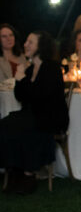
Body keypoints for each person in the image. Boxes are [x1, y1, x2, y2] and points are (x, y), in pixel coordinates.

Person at [0, 31, 69, 194]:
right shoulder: (30, 69)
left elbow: (41, 97)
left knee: (26, 127)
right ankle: (14, 170)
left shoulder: (52, 68)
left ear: (41, 46)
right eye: (26, 42)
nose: (25, 45)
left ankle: (28, 174)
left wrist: (22, 79)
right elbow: (21, 96)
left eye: (30, 42)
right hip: (35, 114)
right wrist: (19, 79)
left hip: (51, 116)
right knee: (6, 124)